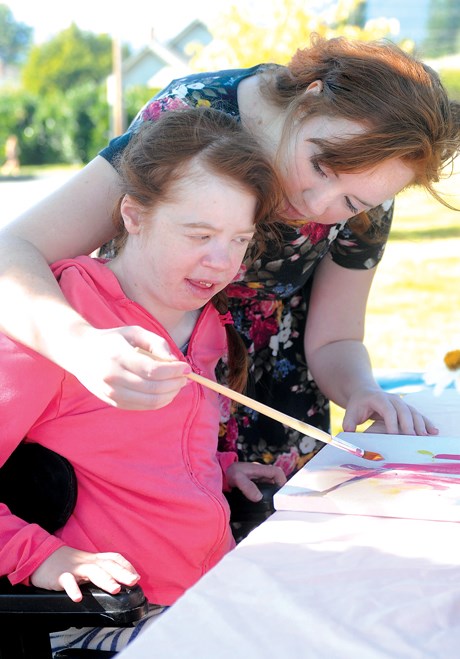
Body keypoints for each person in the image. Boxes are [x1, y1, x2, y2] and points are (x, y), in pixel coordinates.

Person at [0, 35, 459, 480]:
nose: (319, 206)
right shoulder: (194, 115)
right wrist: (79, 344)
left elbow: (335, 338)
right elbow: (14, 251)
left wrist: (362, 390)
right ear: (309, 98)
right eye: (320, 166)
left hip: (274, 414)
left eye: (353, 203)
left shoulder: (375, 189)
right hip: (139, 395)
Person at [0, 107, 286, 653]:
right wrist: (38, 556)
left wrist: (217, 471)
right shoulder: (58, 319)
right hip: (100, 622)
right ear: (133, 215)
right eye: (199, 234)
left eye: (239, 240)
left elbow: (128, 449)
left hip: (208, 594)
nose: (222, 262)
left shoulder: (205, 322)